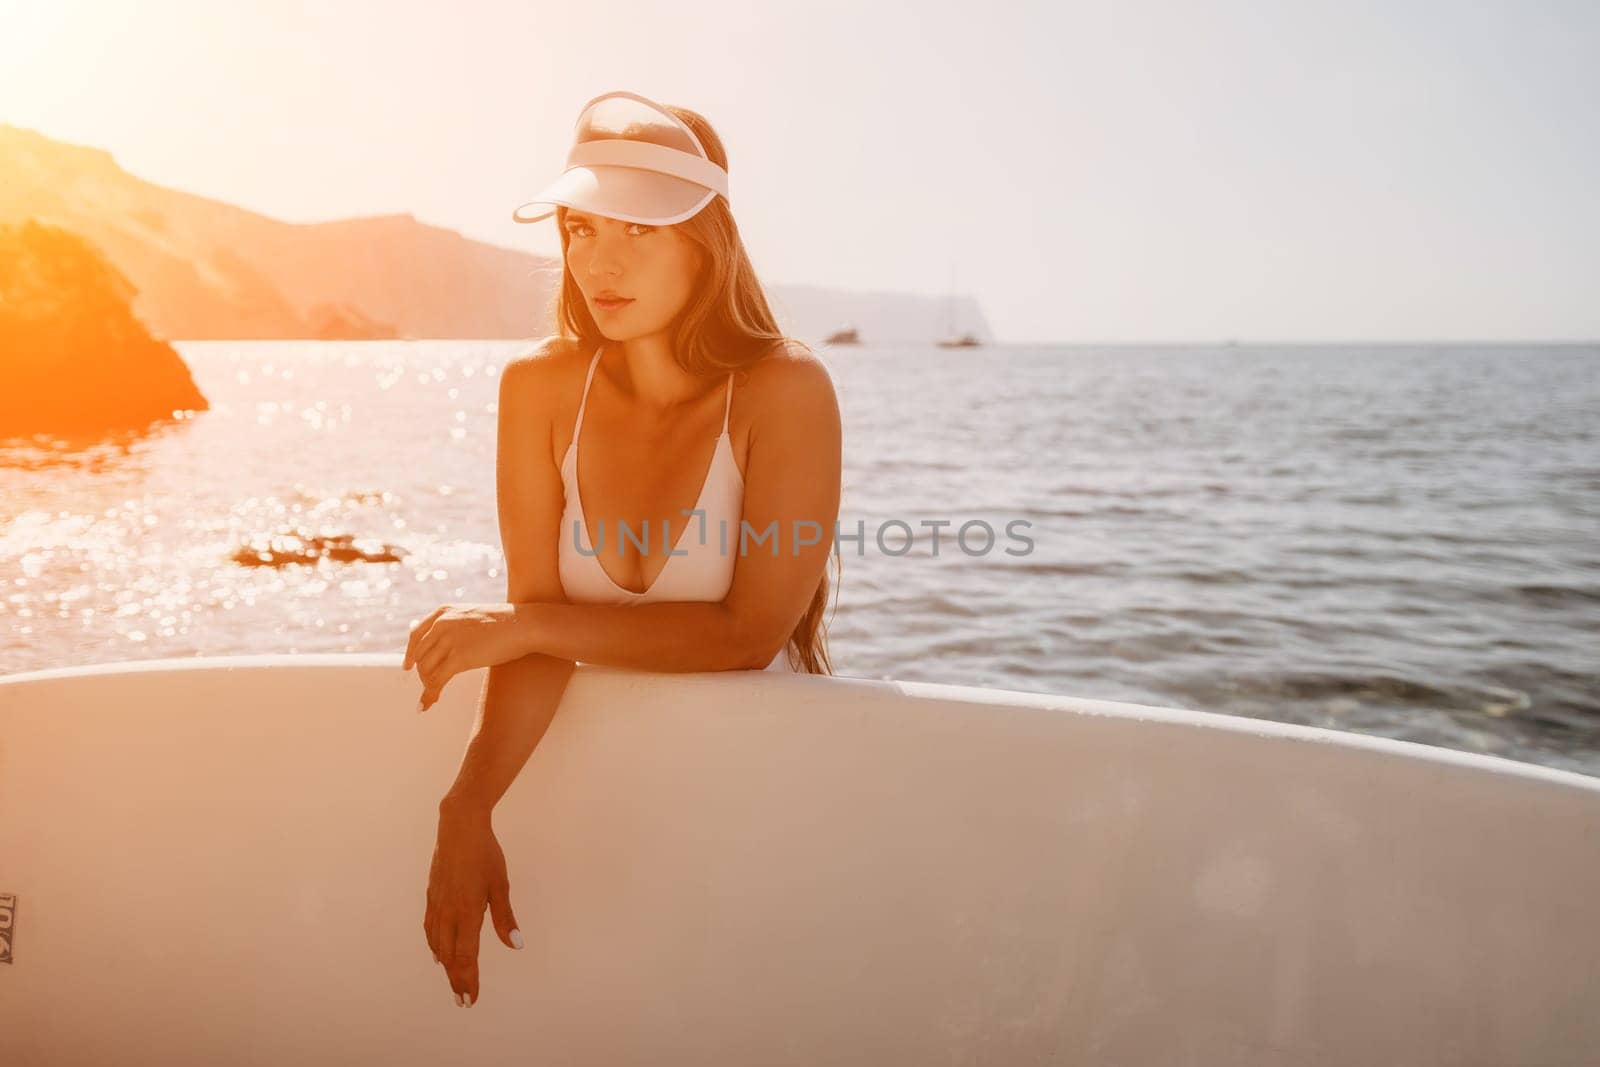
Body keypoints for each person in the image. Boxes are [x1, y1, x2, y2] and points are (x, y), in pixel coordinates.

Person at [400, 90, 842, 1008]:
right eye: (580, 227)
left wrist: (522, 625)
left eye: (638, 229)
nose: (599, 261)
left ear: (705, 239)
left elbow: (746, 636)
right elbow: (538, 632)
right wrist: (468, 802)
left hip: (764, 784)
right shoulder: (538, 389)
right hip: (615, 807)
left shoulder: (784, 390)